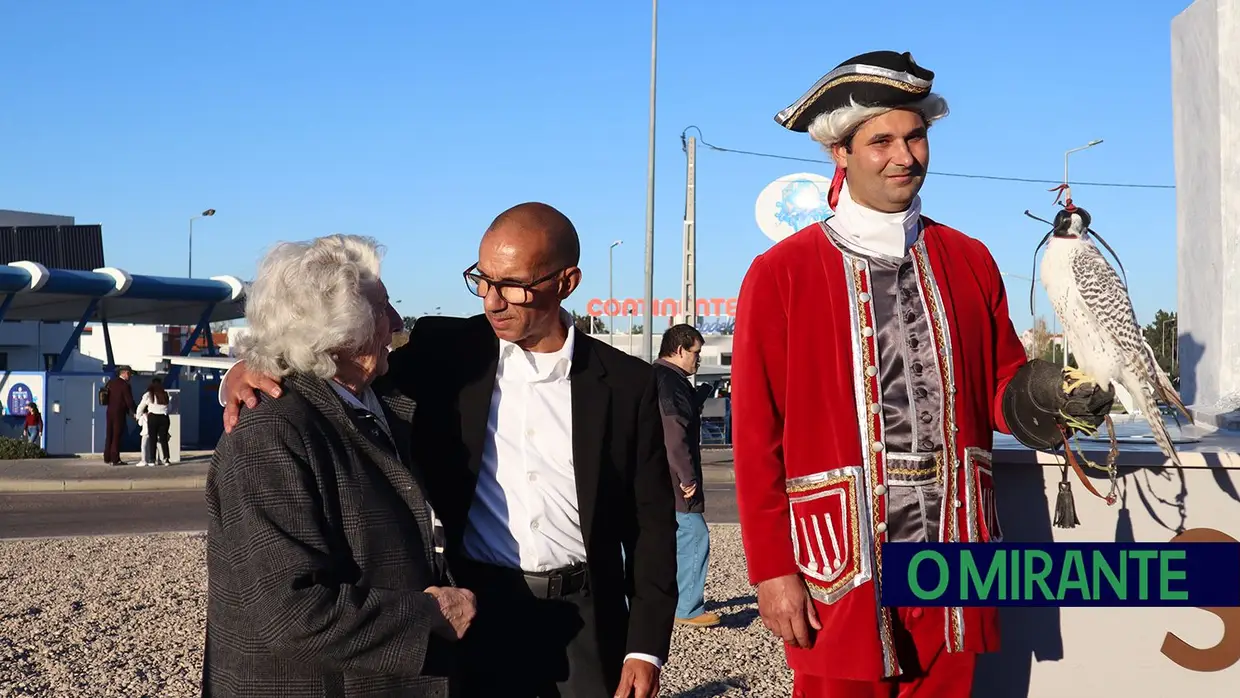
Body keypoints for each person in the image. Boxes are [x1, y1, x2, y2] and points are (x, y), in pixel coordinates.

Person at [731, 50, 1115, 697]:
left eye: (916, 136)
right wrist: (773, 570)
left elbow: (1002, 385)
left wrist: (1049, 396)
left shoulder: (969, 259)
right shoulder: (781, 274)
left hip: (955, 552)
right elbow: (754, 435)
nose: (904, 156)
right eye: (881, 140)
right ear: (840, 153)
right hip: (841, 560)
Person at [219, 203, 678, 698]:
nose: (492, 301)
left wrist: (645, 646)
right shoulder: (446, 352)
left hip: (587, 618)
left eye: (512, 284)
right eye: (482, 279)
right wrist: (246, 370)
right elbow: (329, 353)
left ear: (566, 282)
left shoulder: (629, 384)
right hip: (476, 609)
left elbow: (651, 523)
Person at [203, 234, 475, 697]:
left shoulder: (378, 400)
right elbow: (293, 614)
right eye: (383, 309)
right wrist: (429, 615)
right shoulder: (269, 437)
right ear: (338, 336)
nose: (394, 321)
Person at [653, 323, 719, 628]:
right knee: (694, 535)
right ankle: (688, 607)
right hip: (673, 478)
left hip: (654, 477)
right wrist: (688, 477)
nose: (699, 359)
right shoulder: (672, 383)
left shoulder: (658, 377)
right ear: (679, 350)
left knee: (653, 538)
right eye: (696, 352)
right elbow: (674, 434)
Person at [101, 365, 135, 465]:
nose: (130, 376)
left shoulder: (111, 383)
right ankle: (115, 459)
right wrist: (135, 411)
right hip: (119, 413)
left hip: (109, 411)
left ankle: (107, 457)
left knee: (109, 434)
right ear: (124, 373)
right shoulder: (125, 385)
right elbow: (129, 402)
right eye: (129, 373)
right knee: (117, 435)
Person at [136, 378, 172, 466]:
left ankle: (152, 459)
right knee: (163, 439)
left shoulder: (149, 394)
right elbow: (170, 408)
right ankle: (166, 459)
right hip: (164, 417)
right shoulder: (165, 394)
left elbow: (141, 406)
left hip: (153, 417)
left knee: (153, 438)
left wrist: (138, 416)